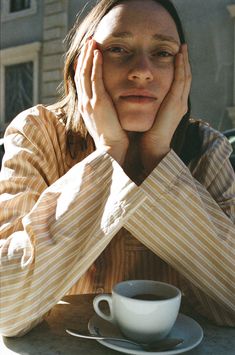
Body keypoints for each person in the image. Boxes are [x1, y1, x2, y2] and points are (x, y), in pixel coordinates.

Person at [0, 0, 234, 337]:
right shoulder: (37, 134)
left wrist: (157, 157)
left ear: (181, 70)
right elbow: (7, 307)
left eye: (163, 53)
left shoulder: (206, 149)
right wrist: (109, 153)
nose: (141, 70)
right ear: (83, 64)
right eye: (118, 48)